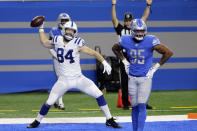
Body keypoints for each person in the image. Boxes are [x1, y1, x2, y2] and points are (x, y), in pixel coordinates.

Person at [27, 21, 122, 128]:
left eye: (72, 31)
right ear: (64, 30)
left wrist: (104, 62)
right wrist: (41, 28)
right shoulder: (57, 40)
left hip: (78, 78)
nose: (70, 32)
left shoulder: (78, 42)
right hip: (63, 80)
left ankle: (109, 119)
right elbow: (44, 42)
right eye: (68, 30)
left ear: (75, 32)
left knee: (98, 94)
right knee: (49, 101)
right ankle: (37, 121)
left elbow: (93, 52)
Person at [112, 19, 173, 131]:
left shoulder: (151, 40)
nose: (140, 33)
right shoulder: (125, 39)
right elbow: (115, 48)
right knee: (134, 106)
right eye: (137, 31)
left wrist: (155, 67)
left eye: (142, 31)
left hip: (145, 78)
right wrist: (124, 61)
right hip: (132, 78)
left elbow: (168, 52)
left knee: (141, 105)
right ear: (132, 30)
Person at [111, 0, 153, 110]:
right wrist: (113, 5)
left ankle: (143, 102)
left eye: (129, 20)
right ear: (124, 21)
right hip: (124, 59)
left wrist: (148, 5)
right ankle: (125, 103)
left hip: (136, 58)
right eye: (126, 20)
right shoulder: (121, 30)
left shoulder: (137, 29)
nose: (128, 22)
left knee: (141, 81)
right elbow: (114, 20)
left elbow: (144, 18)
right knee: (124, 82)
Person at [48, 12, 71, 110]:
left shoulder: (70, 31)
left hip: (67, 58)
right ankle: (60, 102)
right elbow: (49, 46)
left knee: (64, 79)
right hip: (57, 58)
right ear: (60, 21)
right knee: (61, 78)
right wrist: (56, 55)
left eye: (66, 20)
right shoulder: (53, 31)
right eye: (63, 20)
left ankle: (53, 97)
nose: (65, 22)